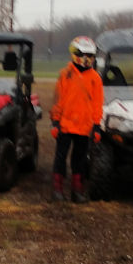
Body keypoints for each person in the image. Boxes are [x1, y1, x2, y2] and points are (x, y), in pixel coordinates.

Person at [50, 36, 103, 203]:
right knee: (60, 157)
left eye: (89, 55)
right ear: (74, 54)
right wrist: (55, 122)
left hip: (84, 127)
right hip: (65, 125)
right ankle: (57, 189)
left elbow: (97, 103)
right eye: (83, 54)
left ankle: (77, 190)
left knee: (79, 160)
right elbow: (58, 100)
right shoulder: (65, 75)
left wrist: (96, 126)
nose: (86, 58)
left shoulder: (95, 78)